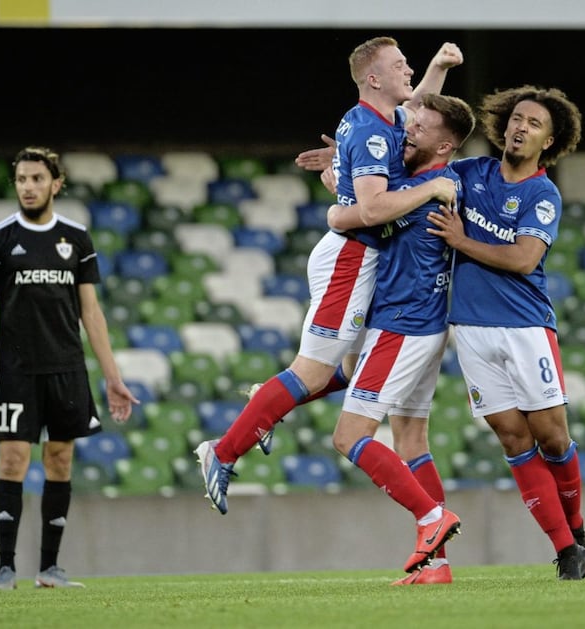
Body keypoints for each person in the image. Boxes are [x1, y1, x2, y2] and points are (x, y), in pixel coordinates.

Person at [194, 36, 463, 518]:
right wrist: (425, 190)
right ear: (373, 78)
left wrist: (439, 66)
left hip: (359, 255)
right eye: (400, 65)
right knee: (314, 372)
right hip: (350, 259)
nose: (408, 71)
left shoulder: (380, 121)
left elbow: (420, 110)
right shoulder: (374, 132)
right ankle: (224, 451)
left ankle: (267, 403)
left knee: (346, 369)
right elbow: (374, 207)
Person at [425, 85, 585, 580]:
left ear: (549, 140)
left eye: (534, 123)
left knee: (552, 438)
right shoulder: (470, 173)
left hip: (525, 329)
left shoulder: (542, 193)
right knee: (512, 438)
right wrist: (348, 166)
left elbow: (523, 259)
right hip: (472, 330)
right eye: (517, 118)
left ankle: (577, 526)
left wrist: (460, 240)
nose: (521, 127)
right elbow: (415, 176)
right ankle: (566, 550)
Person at [0, 146, 140, 590]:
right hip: (18, 370)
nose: (28, 186)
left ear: (55, 184)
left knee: (60, 460)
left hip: (68, 369)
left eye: (37, 179)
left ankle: (50, 568)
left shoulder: (76, 237)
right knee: (12, 458)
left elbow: (92, 314)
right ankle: (5, 567)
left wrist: (113, 377)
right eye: (21, 179)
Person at [325, 92, 476, 584]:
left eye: (421, 127)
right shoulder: (430, 184)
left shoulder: (432, 190)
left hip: (403, 325)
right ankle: (439, 566)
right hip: (423, 324)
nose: (409, 130)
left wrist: (339, 195)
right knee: (411, 440)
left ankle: (434, 518)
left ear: (445, 146)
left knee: (349, 437)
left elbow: (361, 217)